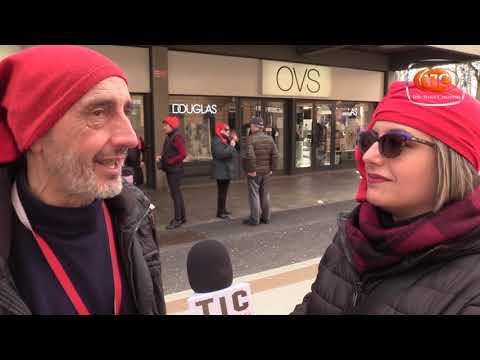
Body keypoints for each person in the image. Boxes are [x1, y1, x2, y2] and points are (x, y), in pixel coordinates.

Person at [0, 45, 166, 315]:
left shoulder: (135, 214)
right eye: (98, 113)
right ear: (35, 134)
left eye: (127, 111)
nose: (131, 138)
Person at [292, 81, 480, 315]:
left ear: (450, 160)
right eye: (369, 141)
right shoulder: (352, 238)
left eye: (393, 143)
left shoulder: (472, 290)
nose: (368, 156)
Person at [241, 116, 279, 226]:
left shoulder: (250, 139)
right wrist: (272, 169)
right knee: (265, 194)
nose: (250, 127)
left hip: (255, 172)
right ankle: (266, 218)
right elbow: (275, 155)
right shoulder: (269, 138)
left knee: (254, 195)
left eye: (251, 125)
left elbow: (250, 156)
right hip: (266, 172)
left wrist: (252, 170)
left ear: (254, 126)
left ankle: (255, 219)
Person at [156, 116, 187, 230]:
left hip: (175, 170)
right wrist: (162, 158)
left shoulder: (177, 137)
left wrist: (170, 161)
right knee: (176, 194)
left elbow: (183, 154)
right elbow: (171, 152)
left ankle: (178, 219)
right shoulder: (170, 136)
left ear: (172, 126)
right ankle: (182, 217)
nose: (164, 127)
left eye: (166, 125)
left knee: (175, 195)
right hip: (172, 169)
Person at [211, 122, 238, 219]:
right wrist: (231, 146)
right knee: (221, 192)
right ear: (219, 129)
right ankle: (220, 212)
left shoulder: (225, 139)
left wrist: (233, 142)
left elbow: (233, 152)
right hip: (220, 170)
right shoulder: (216, 140)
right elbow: (220, 154)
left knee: (224, 192)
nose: (228, 131)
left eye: (228, 130)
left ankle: (223, 210)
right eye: (225, 129)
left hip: (225, 170)